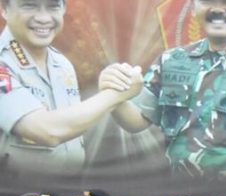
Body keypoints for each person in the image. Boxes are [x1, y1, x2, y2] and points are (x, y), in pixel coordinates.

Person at [101, 0, 226, 183]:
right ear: (193, 8)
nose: (217, 9)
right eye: (207, 0)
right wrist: (113, 95)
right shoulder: (171, 62)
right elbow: (136, 121)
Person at [0, 0, 141, 178]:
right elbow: (47, 131)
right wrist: (114, 95)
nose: (44, 18)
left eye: (53, 6)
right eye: (29, 6)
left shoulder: (62, 64)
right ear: (4, 9)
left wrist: (114, 86)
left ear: (64, 9)